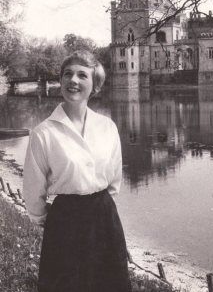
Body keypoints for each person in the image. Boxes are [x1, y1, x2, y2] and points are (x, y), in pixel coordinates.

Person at [23, 50, 132, 292]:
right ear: (60, 81)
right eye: (68, 74)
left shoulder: (107, 127)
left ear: (95, 86)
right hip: (65, 221)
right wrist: (47, 220)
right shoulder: (44, 132)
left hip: (104, 217)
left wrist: (102, 208)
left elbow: (114, 179)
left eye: (82, 75)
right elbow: (33, 190)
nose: (73, 80)